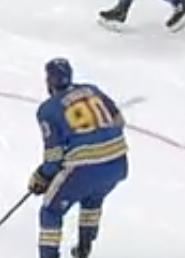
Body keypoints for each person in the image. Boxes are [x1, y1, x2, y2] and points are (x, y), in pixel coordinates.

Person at [29, 58, 126, 258]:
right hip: (118, 161)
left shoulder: (48, 109)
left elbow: (54, 157)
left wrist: (41, 177)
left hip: (85, 167)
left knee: (51, 210)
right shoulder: (91, 90)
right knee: (93, 196)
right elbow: (119, 120)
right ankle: (84, 247)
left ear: (49, 80)